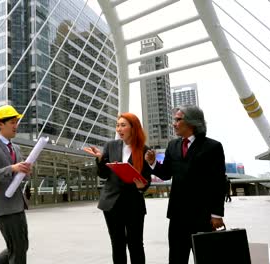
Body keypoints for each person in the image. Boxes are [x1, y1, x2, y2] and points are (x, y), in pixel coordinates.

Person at [145, 105, 226, 264]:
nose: (174, 123)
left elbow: (218, 182)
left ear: (192, 122)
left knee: (206, 258)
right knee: (176, 258)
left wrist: (217, 214)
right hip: (177, 216)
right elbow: (166, 173)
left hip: (203, 216)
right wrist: (153, 163)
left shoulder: (213, 147)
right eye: (174, 119)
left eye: (178, 119)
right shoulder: (173, 145)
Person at [83, 112, 152, 264]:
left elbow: (147, 179)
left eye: (123, 125)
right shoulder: (110, 146)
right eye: (117, 125)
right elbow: (103, 175)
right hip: (112, 203)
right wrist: (101, 159)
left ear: (133, 128)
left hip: (134, 203)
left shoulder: (144, 150)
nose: (119, 129)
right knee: (117, 244)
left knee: (136, 245)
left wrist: (142, 186)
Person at [0, 105, 32, 264]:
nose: (16, 126)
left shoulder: (16, 147)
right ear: (1, 124)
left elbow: (18, 177)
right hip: (3, 207)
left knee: (21, 246)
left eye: (17, 122)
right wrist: (11, 168)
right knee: (17, 249)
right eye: (12, 122)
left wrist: (25, 172)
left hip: (18, 204)